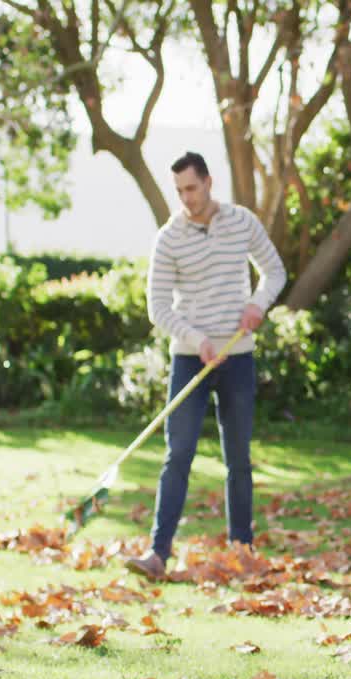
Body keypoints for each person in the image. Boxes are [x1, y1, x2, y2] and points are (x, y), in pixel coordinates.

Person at [126, 151, 287, 579]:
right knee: (178, 454)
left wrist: (256, 305)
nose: (186, 198)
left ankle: (243, 553)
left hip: (236, 357)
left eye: (191, 188)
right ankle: (157, 554)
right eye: (179, 190)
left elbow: (274, 271)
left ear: (209, 182)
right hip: (189, 360)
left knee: (238, 457)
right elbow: (157, 307)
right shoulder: (169, 238)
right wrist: (197, 341)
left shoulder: (241, 222)